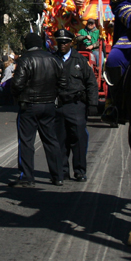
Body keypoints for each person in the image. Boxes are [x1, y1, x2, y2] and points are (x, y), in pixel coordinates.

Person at [9, 32, 66, 187]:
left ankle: (27, 177)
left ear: (27, 45)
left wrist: (16, 96)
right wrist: (55, 95)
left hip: (29, 104)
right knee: (51, 140)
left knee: (26, 141)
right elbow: (63, 82)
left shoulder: (25, 59)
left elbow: (17, 83)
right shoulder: (54, 59)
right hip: (49, 104)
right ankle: (58, 175)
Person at [53, 29, 98, 182]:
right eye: (60, 42)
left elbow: (91, 83)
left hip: (76, 105)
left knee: (79, 139)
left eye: (65, 42)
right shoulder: (52, 59)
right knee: (60, 141)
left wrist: (93, 104)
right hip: (58, 106)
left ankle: (79, 171)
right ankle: (62, 171)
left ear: (71, 43)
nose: (62, 45)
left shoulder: (80, 60)